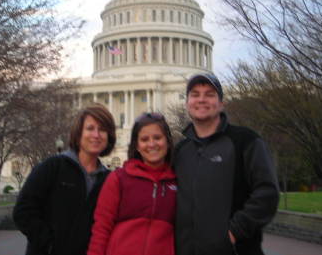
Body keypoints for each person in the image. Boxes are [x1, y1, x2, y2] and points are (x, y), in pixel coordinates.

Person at [173, 73, 279, 255]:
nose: (201, 100)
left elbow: (267, 193)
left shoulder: (245, 141)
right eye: (195, 94)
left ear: (221, 103)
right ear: (187, 103)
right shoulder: (181, 150)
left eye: (209, 94)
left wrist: (233, 232)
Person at [13, 104, 116, 255]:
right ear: (79, 133)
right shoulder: (53, 167)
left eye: (102, 129)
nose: (96, 135)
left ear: (109, 137)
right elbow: (23, 211)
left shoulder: (108, 179)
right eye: (90, 128)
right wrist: (49, 245)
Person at [87, 112, 176, 255]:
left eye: (157, 138)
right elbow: (101, 229)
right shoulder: (119, 179)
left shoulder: (176, 182)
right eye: (145, 139)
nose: (152, 144)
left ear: (167, 141)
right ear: (137, 146)